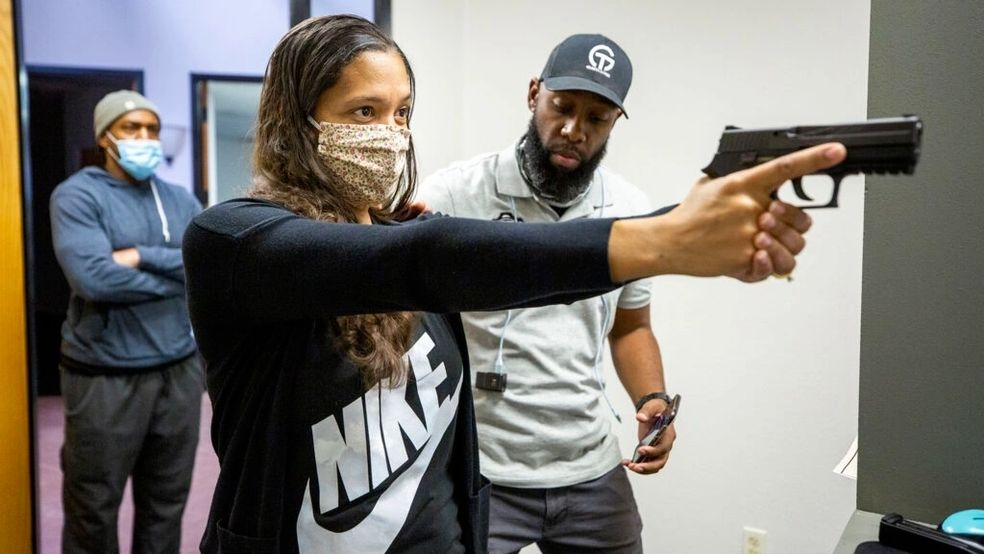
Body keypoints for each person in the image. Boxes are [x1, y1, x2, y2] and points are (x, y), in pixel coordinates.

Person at [182, 15, 838, 554]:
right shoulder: (236, 243)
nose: (390, 134)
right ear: (298, 120)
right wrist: (666, 239)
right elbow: (427, 260)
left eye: (402, 111)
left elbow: (540, 292)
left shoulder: (400, 226)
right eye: (364, 110)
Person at [416, 33, 679, 552]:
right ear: (534, 93)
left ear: (614, 124)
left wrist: (652, 401)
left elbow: (632, 326)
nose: (572, 130)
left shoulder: (628, 209)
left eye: (596, 118)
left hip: (591, 467)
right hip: (481, 466)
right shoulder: (454, 194)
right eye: (562, 106)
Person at [50, 90, 204, 553]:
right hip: (104, 376)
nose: (144, 138)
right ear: (106, 137)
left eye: (151, 129)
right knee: (93, 507)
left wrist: (138, 256)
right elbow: (94, 279)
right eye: (131, 128)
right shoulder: (78, 196)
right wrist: (177, 277)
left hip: (178, 373)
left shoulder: (180, 200)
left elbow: (206, 271)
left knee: (166, 503)